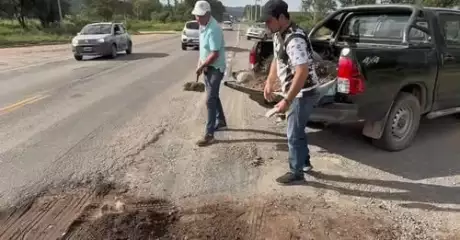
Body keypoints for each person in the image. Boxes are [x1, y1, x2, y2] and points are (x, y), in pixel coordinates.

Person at [261, 0, 319, 185]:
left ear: (281, 17)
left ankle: (296, 172)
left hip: (303, 93)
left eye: (268, 21)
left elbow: (301, 72)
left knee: (293, 133)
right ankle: (305, 163)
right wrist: (270, 82)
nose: (266, 25)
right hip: (295, 92)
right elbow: (277, 60)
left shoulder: (294, 40)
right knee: (298, 129)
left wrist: (287, 99)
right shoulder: (279, 34)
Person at [192, 0, 228, 147]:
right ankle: (221, 121)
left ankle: (209, 135)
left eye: (200, 16)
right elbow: (204, 50)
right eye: (196, 15)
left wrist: (202, 66)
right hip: (207, 67)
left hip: (215, 69)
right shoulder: (203, 26)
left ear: (208, 14)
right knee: (213, 96)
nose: (197, 18)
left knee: (210, 100)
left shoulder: (214, 29)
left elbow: (214, 54)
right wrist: (200, 63)